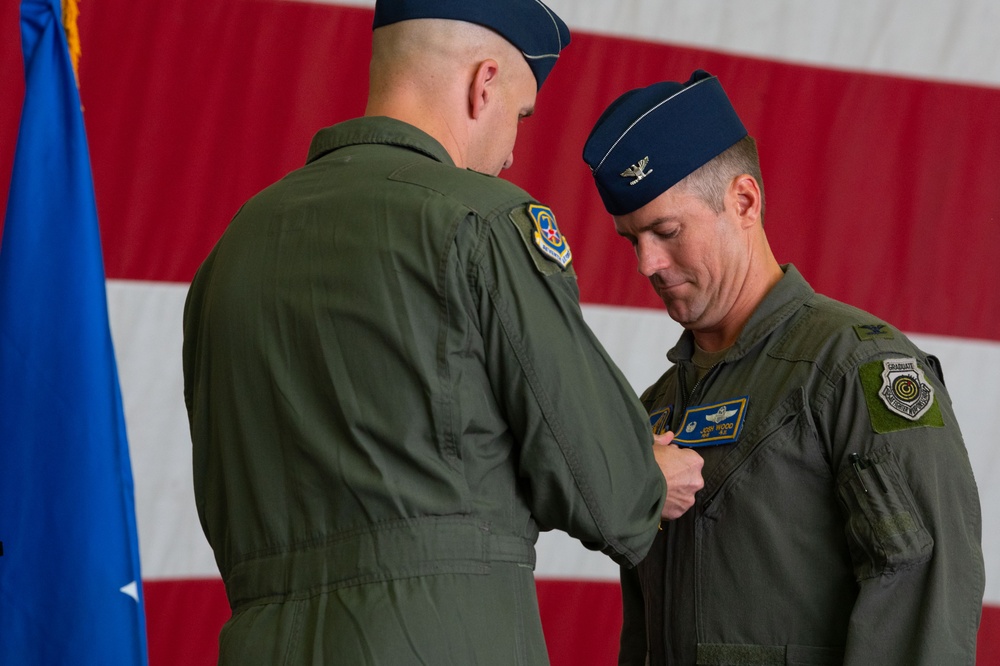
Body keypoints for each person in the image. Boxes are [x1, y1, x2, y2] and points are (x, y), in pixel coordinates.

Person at [182, 2, 705, 664]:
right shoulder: (481, 221)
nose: (514, 151)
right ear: (482, 83)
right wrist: (648, 473)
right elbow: (604, 491)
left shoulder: (232, 250)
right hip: (435, 639)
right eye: (519, 115)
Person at [582, 70, 985, 665]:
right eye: (630, 239)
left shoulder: (859, 369)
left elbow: (923, 591)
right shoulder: (658, 405)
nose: (647, 263)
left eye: (666, 231)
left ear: (744, 201)